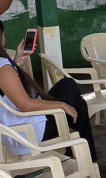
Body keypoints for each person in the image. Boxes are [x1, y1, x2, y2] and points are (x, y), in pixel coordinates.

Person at [0, 21, 97, 161]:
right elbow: (26, 105)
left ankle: (82, 159)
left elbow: (7, 87)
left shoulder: (4, 67)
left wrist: (18, 59)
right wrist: (61, 105)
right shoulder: (3, 68)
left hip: (17, 128)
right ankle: (85, 161)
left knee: (78, 102)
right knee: (70, 87)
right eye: (3, 35)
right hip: (29, 132)